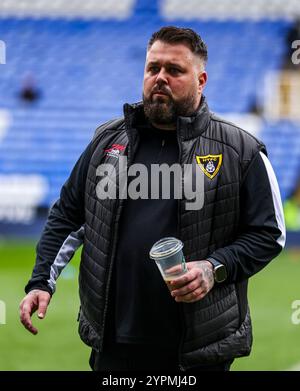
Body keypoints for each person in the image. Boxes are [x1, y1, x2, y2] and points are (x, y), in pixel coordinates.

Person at [19, 26, 286, 371]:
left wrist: (213, 268)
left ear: (201, 80)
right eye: (153, 68)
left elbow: (269, 234)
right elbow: (69, 214)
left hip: (196, 350)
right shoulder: (106, 141)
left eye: (174, 70)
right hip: (113, 342)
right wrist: (42, 281)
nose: (160, 77)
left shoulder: (240, 150)